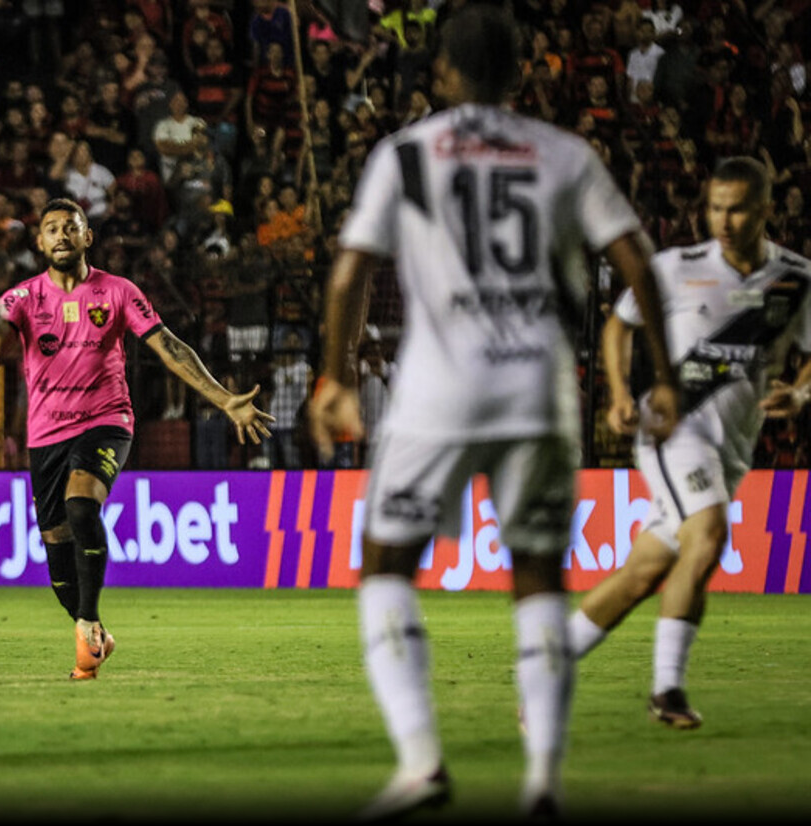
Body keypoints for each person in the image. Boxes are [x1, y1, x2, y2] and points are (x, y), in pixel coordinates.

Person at [308, 6, 680, 820]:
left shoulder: (405, 154)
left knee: (385, 564)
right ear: (522, 73)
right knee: (539, 577)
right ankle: (543, 779)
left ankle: (419, 763)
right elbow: (639, 265)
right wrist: (667, 377)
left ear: (441, 74)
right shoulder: (564, 153)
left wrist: (334, 377)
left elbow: (348, 276)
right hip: (540, 391)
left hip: (438, 392)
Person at [0, 198, 274, 680]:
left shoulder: (117, 292)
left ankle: (87, 623)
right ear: (40, 242)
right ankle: (95, 631)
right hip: (46, 432)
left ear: (87, 237)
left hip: (106, 420)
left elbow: (170, 347)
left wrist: (224, 399)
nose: (61, 235)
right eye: (51, 229)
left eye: (71, 227)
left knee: (81, 505)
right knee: (55, 548)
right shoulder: (23, 299)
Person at [568, 157, 811, 728]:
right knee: (708, 531)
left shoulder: (797, 279)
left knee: (642, 574)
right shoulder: (677, 267)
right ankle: (667, 690)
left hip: (731, 449)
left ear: (767, 209)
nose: (723, 220)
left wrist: (799, 395)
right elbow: (617, 324)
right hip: (671, 430)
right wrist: (621, 392)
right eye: (715, 207)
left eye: (738, 208)